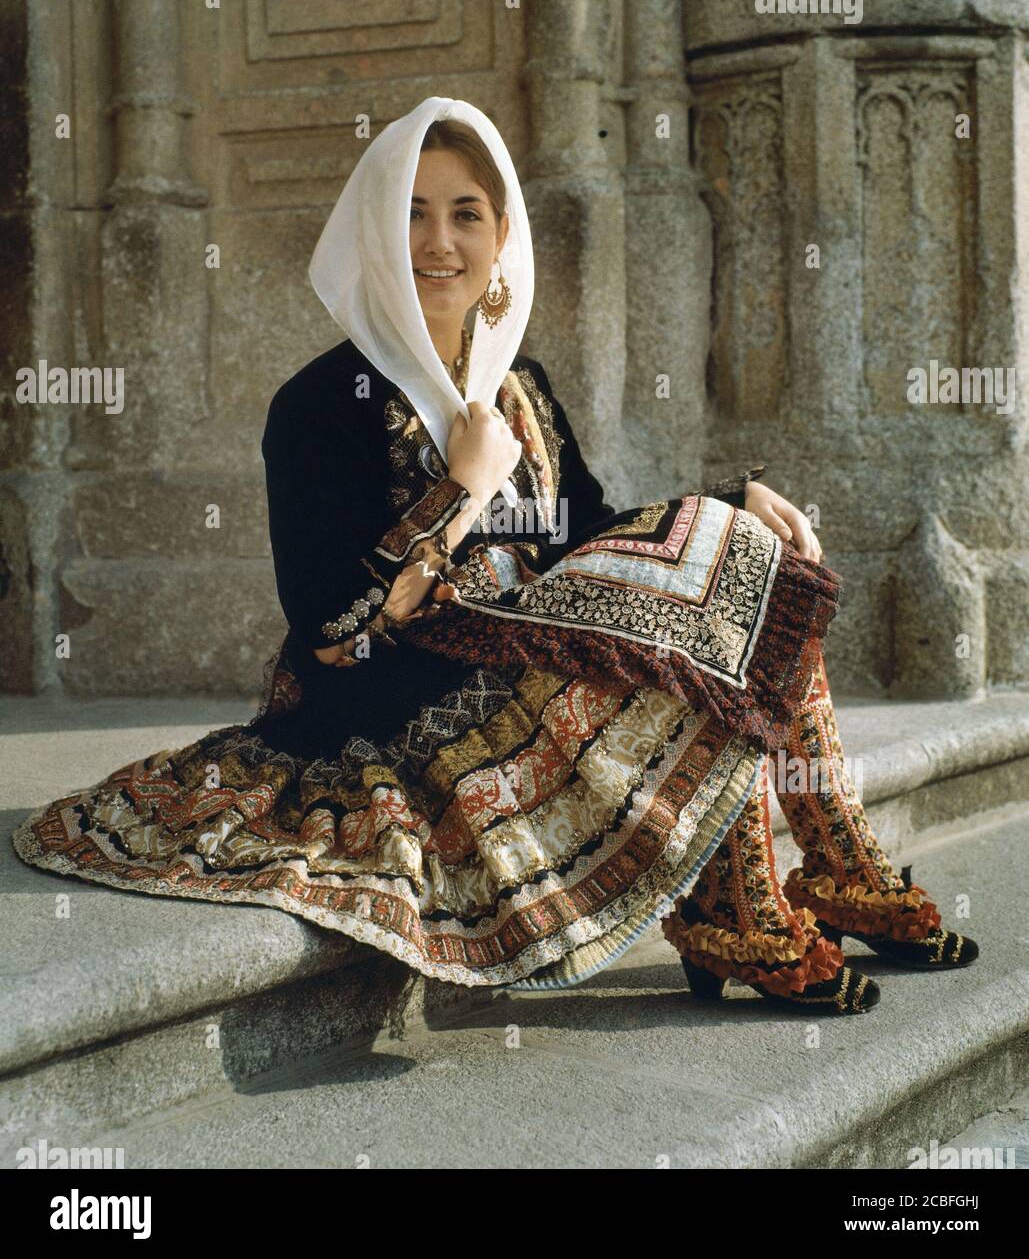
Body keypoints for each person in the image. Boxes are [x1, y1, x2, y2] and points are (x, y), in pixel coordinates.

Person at [12, 98, 977, 1019]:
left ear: (500, 234)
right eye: (413, 216)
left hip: (528, 658)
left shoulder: (520, 386)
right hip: (396, 701)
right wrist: (463, 488)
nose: (438, 243)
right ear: (374, 236)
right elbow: (335, 628)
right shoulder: (318, 405)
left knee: (747, 555)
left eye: (464, 215)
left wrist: (731, 502)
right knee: (704, 598)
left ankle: (836, 864)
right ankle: (728, 909)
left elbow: (586, 531)